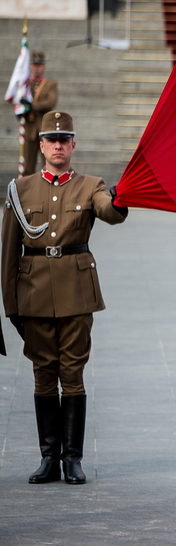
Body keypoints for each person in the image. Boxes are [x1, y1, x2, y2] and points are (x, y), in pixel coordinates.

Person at [1, 111, 128, 485]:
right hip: (35, 294)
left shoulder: (92, 185)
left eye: (64, 139)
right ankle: (48, 458)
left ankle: (72, 459)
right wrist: (11, 307)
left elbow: (109, 211)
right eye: (51, 140)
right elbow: (9, 251)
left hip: (76, 294)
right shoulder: (20, 189)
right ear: (41, 146)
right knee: (43, 376)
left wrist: (120, 199)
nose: (58, 145)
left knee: (72, 375)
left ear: (73, 145)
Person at [20, 52, 57, 178]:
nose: (37, 68)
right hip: (29, 128)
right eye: (35, 64)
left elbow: (52, 101)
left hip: (44, 128)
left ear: (44, 66)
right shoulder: (25, 84)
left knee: (47, 164)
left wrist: (32, 105)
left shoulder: (50, 84)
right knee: (28, 165)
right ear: (30, 65)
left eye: (39, 65)